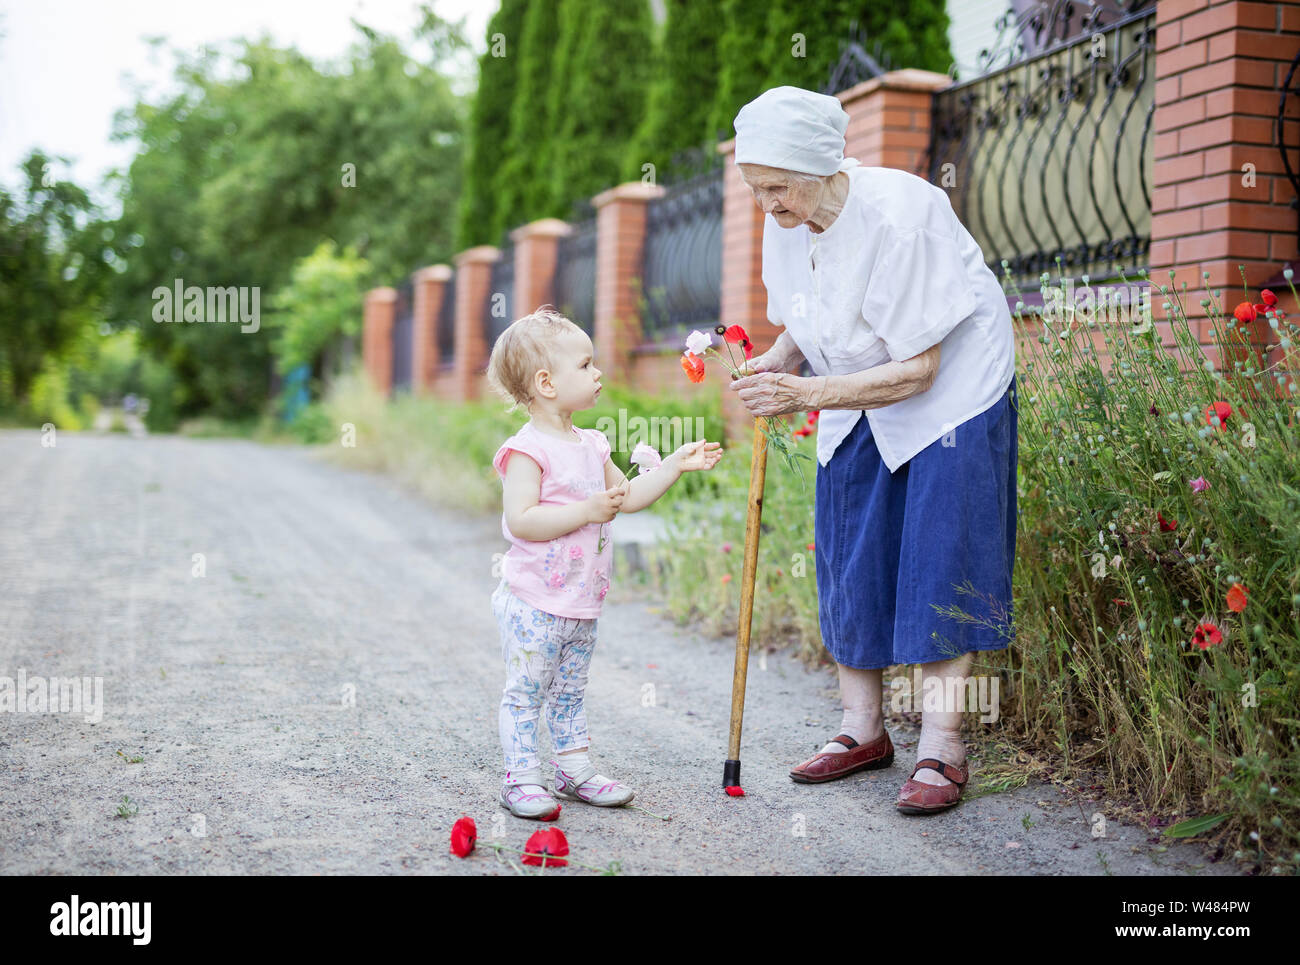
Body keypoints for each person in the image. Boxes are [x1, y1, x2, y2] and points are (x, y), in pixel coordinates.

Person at [728, 86, 1019, 815]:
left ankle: (941, 745)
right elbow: (806, 309)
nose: (767, 203)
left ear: (823, 166)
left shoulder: (903, 214)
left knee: (939, 548)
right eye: (755, 188)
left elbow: (920, 368)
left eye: (776, 187)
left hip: (951, 389)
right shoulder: (788, 216)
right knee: (852, 542)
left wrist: (803, 395)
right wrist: (780, 358)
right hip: (851, 377)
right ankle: (862, 730)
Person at [487, 307, 723, 820]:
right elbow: (521, 521)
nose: (598, 374)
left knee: (570, 693)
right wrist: (585, 511)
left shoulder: (593, 444)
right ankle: (521, 779)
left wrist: (676, 464)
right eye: (587, 365)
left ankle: (574, 770)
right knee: (527, 694)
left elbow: (627, 496)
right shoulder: (526, 451)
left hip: (581, 603)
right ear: (546, 383)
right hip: (534, 603)